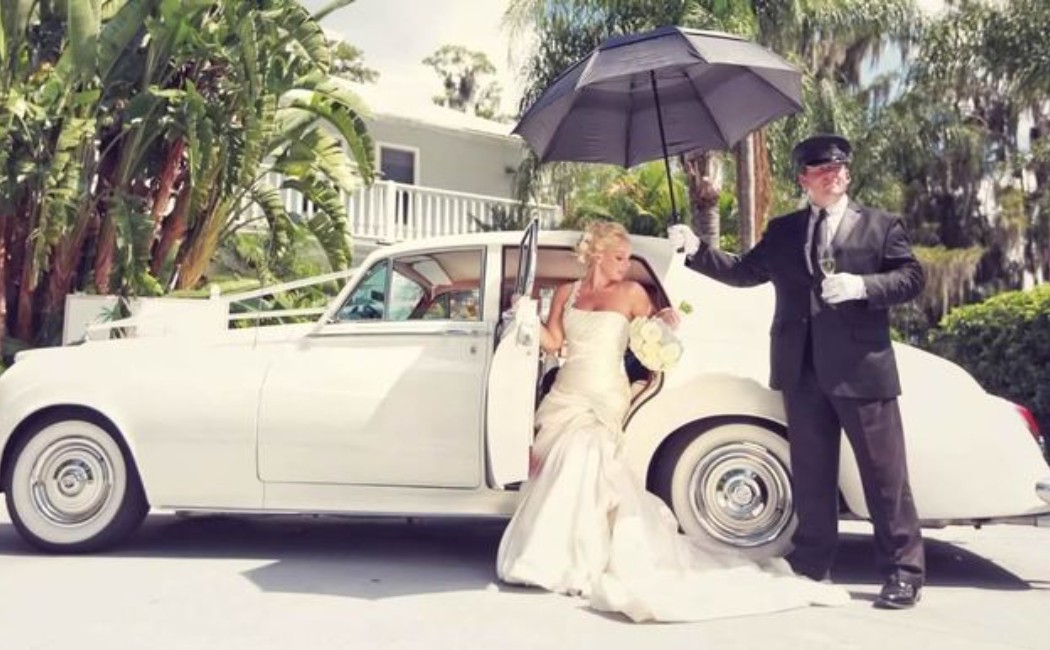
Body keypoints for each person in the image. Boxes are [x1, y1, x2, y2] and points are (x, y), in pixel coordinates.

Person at [496, 219, 849, 622]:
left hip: (606, 392)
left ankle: (573, 560)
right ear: (596, 255)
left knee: (583, 454)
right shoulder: (566, 293)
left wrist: (665, 323)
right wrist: (525, 315)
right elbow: (555, 343)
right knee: (559, 461)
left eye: (628, 258)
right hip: (567, 391)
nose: (625, 264)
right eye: (618, 257)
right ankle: (549, 554)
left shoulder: (633, 292)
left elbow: (658, 331)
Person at [668, 134, 926, 610]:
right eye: (822, 170)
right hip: (801, 368)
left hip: (862, 369)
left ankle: (902, 573)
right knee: (811, 475)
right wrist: (695, 248)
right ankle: (811, 565)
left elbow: (911, 278)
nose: (834, 175)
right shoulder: (784, 230)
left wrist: (862, 286)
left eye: (839, 168)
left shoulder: (881, 225)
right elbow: (743, 272)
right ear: (803, 178)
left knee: (884, 477)